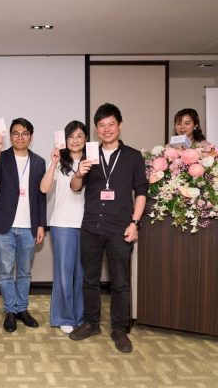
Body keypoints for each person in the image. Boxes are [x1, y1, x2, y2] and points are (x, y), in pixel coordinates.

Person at [69, 103, 148, 353]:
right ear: (96, 129)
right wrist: (79, 173)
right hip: (91, 226)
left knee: (120, 282)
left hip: (120, 228)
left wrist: (135, 223)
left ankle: (119, 329)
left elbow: (141, 192)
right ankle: (91, 323)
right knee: (90, 279)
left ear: (119, 126)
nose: (106, 129)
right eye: (101, 125)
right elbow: (75, 187)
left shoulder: (133, 157)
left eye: (111, 124)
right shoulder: (88, 155)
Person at [0, 117, 46, 332]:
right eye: (16, 133)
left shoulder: (38, 162)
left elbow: (40, 196)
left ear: (31, 136)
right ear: (10, 136)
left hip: (29, 226)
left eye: (25, 133)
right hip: (5, 224)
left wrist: (41, 224)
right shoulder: (2, 157)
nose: (20, 137)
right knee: (5, 271)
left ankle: (22, 308)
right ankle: (10, 310)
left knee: (24, 272)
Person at [39, 120, 88, 334]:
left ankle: (80, 316)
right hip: (62, 224)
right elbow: (44, 188)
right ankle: (64, 317)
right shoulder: (60, 162)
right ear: (65, 140)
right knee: (64, 273)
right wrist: (53, 163)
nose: (75, 140)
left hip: (87, 224)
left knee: (83, 274)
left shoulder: (92, 161)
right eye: (71, 136)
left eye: (79, 136)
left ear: (86, 138)